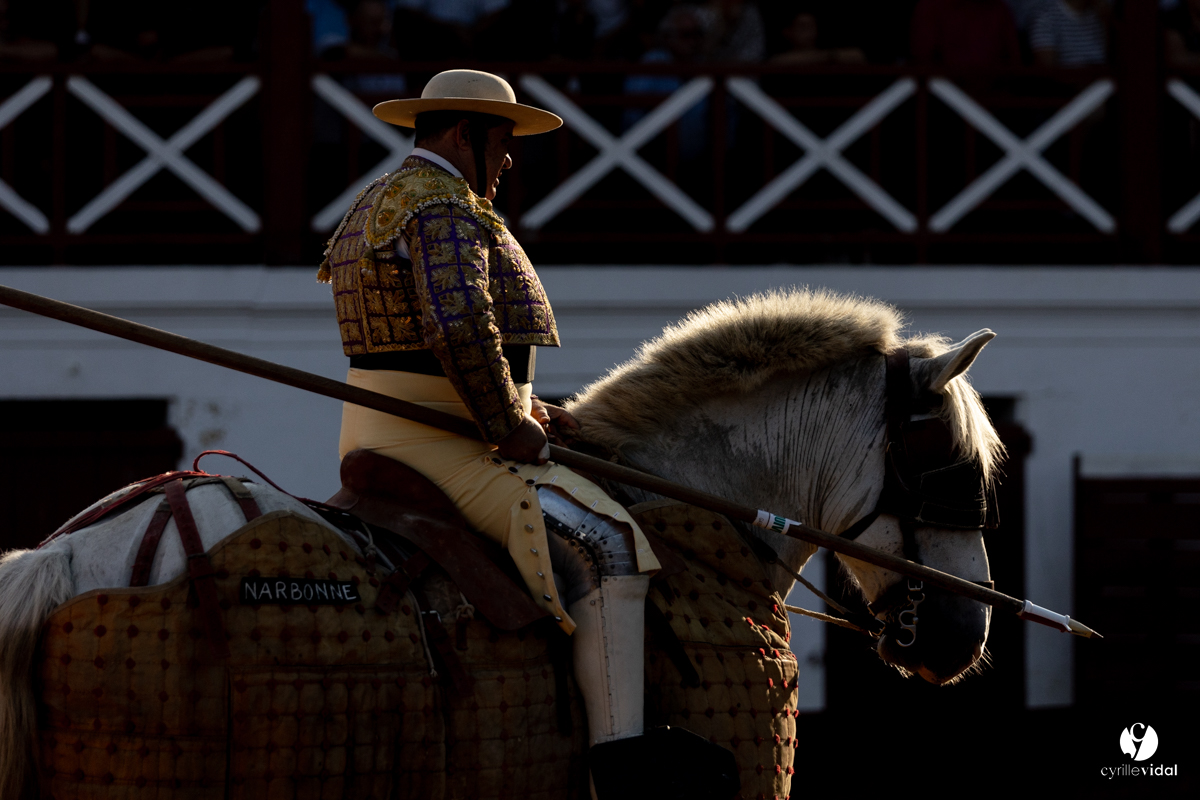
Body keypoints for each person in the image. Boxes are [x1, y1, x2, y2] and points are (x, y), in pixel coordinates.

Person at [318, 70, 727, 798]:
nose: (509, 157)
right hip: (441, 445)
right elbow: (457, 327)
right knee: (610, 545)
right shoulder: (441, 204)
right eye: (501, 138)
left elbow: (412, 344)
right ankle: (618, 768)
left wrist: (523, 406)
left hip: (398, 424)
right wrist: (507, 424)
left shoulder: (375, 202)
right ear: (463, 134)